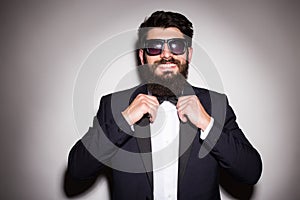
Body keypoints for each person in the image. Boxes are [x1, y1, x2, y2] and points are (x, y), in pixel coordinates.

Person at [68, 11, 262, 200]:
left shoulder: (215, 104)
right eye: (155, 47)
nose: (166, 55)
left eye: (177, 46)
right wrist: (124, 120)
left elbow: (251, 172)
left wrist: (206, 123)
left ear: (189, 54)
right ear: (143, 57)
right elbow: (78, 169)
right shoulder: (113, 104)